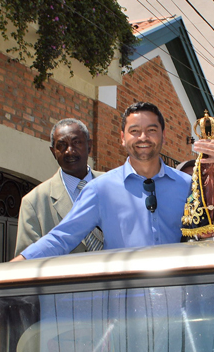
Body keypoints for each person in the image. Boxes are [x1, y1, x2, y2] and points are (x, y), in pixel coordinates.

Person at [12, 102, 191, 260]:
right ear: (122, 138)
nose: (143, 137)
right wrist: (18, 264)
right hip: (124, 296)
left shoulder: (188, 185)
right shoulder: (99, 189)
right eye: (134, 131)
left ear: (163, 135)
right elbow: (63, 236)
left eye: (151, 130)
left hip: (178, 295)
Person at [15, 118, 104, 255]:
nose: (70, 151)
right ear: (53, 152)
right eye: (62, 145)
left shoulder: (114, 184)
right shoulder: (33, 202)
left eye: (76, 142)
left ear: (89, 146)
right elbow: (27, 265)